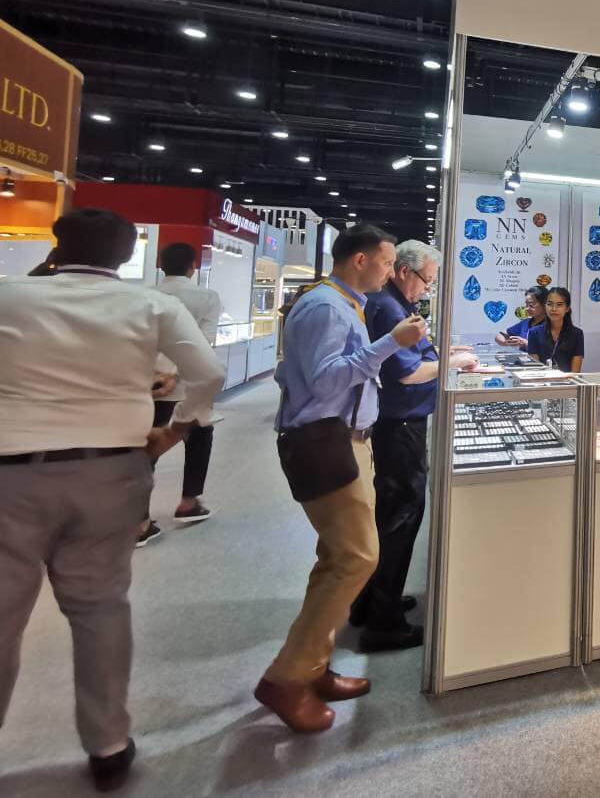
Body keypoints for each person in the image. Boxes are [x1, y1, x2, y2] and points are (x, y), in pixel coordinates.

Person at [0, 209, 224, 792]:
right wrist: (175, 430)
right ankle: (107, 745)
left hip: (10, 474)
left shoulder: (9, 296)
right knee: (100, 609)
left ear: (58, 243)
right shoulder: (150, 305)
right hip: (110, 470)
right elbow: (208, 371)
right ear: (127, 255)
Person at [255, 223, 428, 735]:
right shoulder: (326, 307)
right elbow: (327, 379)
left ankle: (313, 666)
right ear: (360, 260)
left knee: (336, 557)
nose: (390, 272)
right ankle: (286, 678)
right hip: (326, 442)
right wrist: (391, 343)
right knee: (357, 557)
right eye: (386, 262)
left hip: (347, 439)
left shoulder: (344, 304)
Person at [350, 241, 476, 651]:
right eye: (426, 280)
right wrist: (454, 363)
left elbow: (414, 356)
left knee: (392, 513)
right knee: (402, 515)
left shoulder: (394, 305)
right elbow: (407, 374)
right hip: (400, 424)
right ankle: (383, 622)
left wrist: (445, 353)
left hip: (399, 423)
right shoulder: (389, 309)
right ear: (404, 271)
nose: (427, 288)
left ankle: (372, 600)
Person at [149, 242, 224, 529]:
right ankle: (188, 501)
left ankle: (138, 514)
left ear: (161, 264)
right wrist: (176, 373)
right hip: (191, 384)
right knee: (200, 439)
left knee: (147, 445)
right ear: (193, 267)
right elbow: (204, 342)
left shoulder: (148, 295)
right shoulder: (207, 297)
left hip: (151, 385)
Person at [525, 286, 585, 372]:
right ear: (545, 307)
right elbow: (535, 370)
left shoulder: (577, 334)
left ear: (567, 308)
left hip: (568, 379)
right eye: (549, 304)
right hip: (541, 379)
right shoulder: (534, 333)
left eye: (559, 305)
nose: (554, 309)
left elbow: (575, 372)